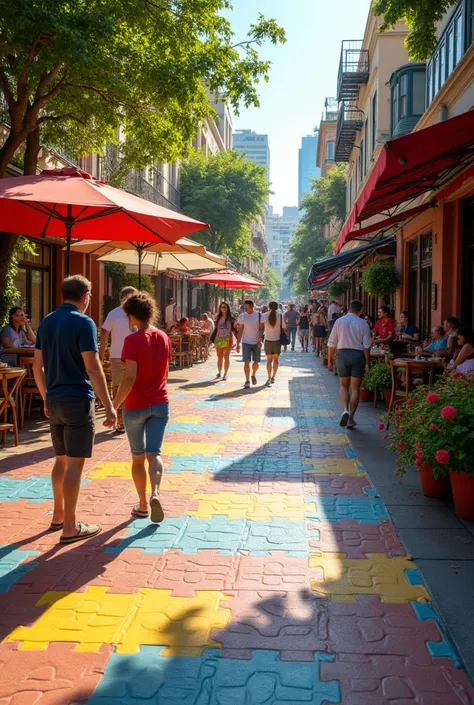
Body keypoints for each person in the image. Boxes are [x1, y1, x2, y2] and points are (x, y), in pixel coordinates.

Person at [33, 276, 116, 543]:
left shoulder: (46, 321)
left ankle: (58, 515)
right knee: (75, 467)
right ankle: (70, 526)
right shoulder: (84, 322)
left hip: (55, 398)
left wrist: (46, 397)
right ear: (85, 296)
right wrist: (108, 404)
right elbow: (92, 366)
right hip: (77, 399)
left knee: (61, 459)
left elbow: (37, 366)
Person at [113, 292, 170, 523]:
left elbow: (129, 378)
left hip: (136, 404)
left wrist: (114, 405)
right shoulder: (163, 336)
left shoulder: (132, 340)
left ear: (131, 315)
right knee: (154, 453)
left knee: (137, 458)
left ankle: (143, 504)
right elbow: (165, 372)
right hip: (160, 402)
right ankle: (156, 492)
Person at [328, 299, 371, 429]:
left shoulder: (339, 322)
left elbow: (332, 343)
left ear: (348, 307)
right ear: (361, 310)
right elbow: (366, 346)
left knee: (343, 386)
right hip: (358, 355)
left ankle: (345, 409)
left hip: (342, 354)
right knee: (355, 388)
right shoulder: (363, 324)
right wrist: (367, 362)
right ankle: (351, 418)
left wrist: (330, 359)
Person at [99, 286, 138, 433]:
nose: (132, 301)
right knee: (117, 387)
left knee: (134, 387)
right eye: (129, 298)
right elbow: (104, 331)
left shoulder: (138, 314)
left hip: (136, 356)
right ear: (122, 299)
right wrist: (102, 352)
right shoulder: (114, 313)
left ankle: (132, 417)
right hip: (117, 356)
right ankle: (120, 419)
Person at [236, 300, 263, 388]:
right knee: (246, 362)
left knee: (256, 362)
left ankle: (253, 374)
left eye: (246, 307)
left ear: (252, 306)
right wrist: (238, 343)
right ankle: (247, 380)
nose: (245, 309)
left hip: (256, 342)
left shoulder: (259, 315)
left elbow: (261, 329)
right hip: (246, 342)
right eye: (244, 307)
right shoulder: (242, 316)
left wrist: (259, 340)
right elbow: (240, 330)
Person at [262, 301, 286, 386]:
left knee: (269, 361)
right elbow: (284, 328)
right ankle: (273, 377)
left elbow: (261, 327)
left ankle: (268, 377)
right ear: (277, 307)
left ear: (269, 307)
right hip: (277, 340)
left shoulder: (264, 315)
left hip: (267, 340)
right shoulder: (280, 315)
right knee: (276, 360)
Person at [213, 302, 236, 380]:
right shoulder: (218, 318)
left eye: (225, 307)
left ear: (228, 308)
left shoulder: (231, 318)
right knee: (219, 357)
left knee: (226, 357)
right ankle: (219, 372)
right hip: (219, 339)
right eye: (222, 307)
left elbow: (234, 329)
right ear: (220, 308)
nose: (223, 308)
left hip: (228, 338)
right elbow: (215, 329)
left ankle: (225, 373)